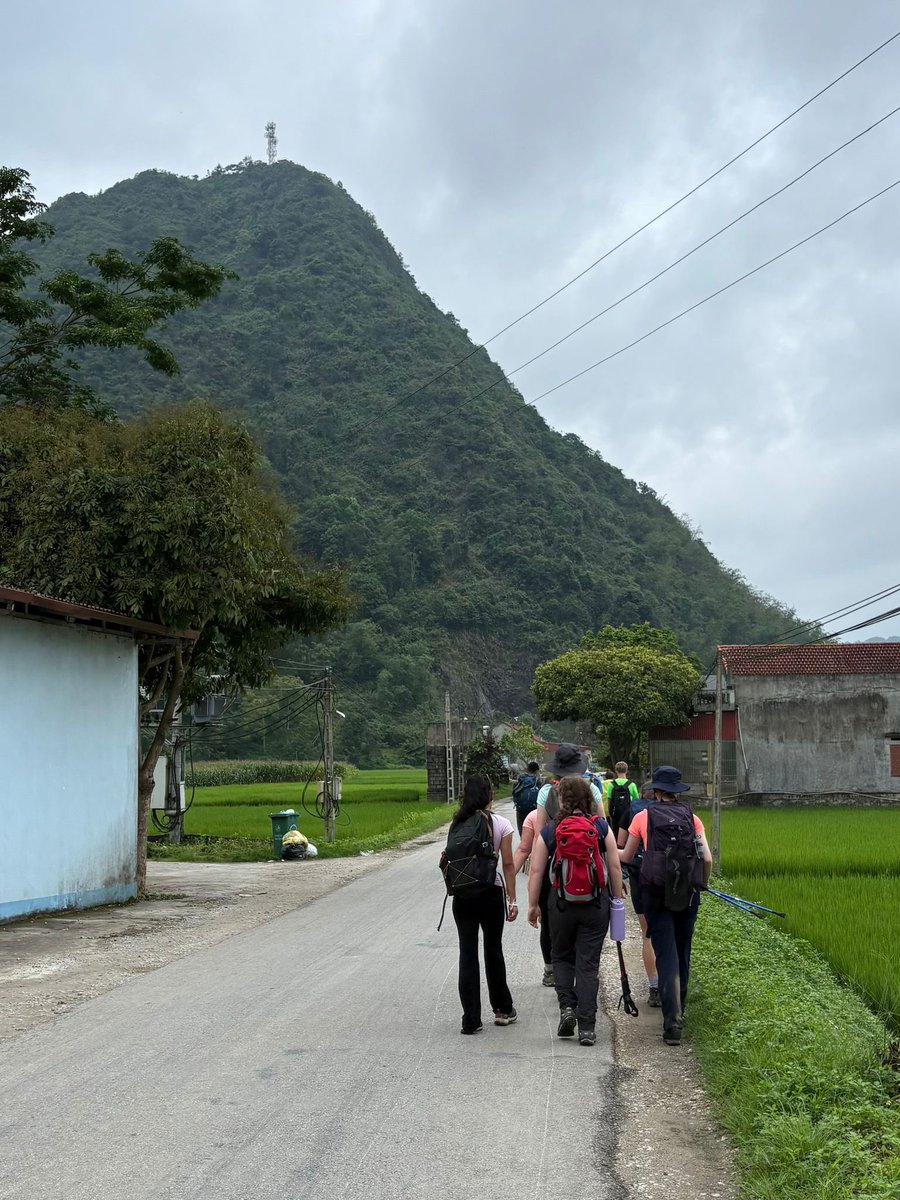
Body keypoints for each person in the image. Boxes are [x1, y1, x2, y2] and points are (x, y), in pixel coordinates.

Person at [527, 776, 624, 1047]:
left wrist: (533, 905)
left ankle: (567, 1008)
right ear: (589, 800)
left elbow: (536, 871)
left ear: (562, 800)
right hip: (595, 904)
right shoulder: (601, 827)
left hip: (559, 905)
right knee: (588, 964)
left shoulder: (551, 830)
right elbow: (614, 867)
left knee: (562, 957)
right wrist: (615, 898)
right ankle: (588, 1028)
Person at [618, 765, 712, 1045]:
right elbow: (706, 859)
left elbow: (627, 855)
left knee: (666, 953)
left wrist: (610, 849)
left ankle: (672, 1021)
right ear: (677, 792)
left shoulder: (642, 817)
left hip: (656, 894)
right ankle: (678, 1009)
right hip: (687, 893)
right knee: (683, 950)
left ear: (656, 792)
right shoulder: (692, 818)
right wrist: (702, 883)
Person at [449, 775, 519, 1034]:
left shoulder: (457, 823)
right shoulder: (501, 823)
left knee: (467, 954)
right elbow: (509, 865)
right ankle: (502, 1009)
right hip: (490, 893)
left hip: (463, 896)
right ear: (490, 794)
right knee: (493, 949)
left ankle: (471, 1018)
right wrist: (512, 900)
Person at [616, 790, 659, 1006]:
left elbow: (622, 843)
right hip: (671, 880)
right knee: (669, 933)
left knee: (647, 934)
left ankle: (654, 987)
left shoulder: (632, 812)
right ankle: (673, 985)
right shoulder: (678, 813)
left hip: (640, 876)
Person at [513, 806, 554, 987]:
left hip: (544, 875)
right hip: (572, 877)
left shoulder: (533, 816)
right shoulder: (581, 813)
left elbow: (523, 849)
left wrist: (507, 879)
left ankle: (550, 971)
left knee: (547, 923)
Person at [535, 742, 606, 829]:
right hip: (589, 839)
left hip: (557, 841)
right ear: (579, 768)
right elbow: (604, 826)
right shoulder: (591, 788)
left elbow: (539, 831)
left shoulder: (545, 792)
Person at [605, 761, 640, 840]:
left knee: (616, 833)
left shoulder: (611, 784)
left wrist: (610, 814)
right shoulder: (632, 784)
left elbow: (609, 800)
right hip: (628, 813)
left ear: (616, 771)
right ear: (626, 771)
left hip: (615, 813)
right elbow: (636, 800)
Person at [511, 760, 541, 835]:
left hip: (520, 811)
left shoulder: (520, 780)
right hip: (534, 812)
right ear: (537, 771)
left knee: (523, 835)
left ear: (528, 770)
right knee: (534, 836)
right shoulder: (537, 782)